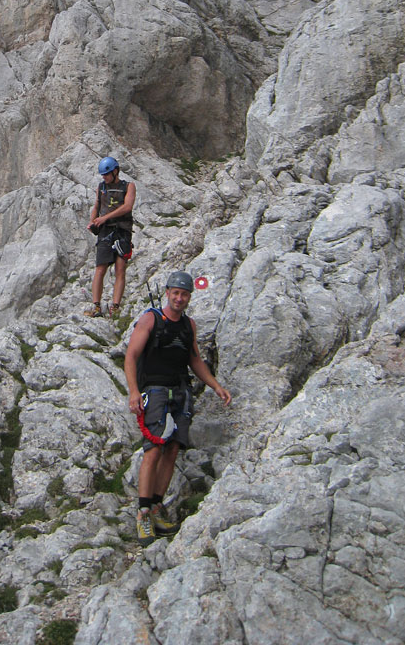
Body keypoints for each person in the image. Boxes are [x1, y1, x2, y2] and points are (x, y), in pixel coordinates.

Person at [124, 271, 232, 544]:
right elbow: (131, 355)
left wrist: (215, 385)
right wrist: (135, 391)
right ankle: (144, 513)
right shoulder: (151, 319)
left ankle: (157, 506)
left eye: (184, 294)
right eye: (175, 293)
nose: (179, 298)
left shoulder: (189, 326)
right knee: (154, 449)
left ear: (188, 297)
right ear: (168, 292)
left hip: (180, 391)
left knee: (172, 449)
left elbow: (194, 360)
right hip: (155, 391)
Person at [84, 156, 135, 318]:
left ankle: (115, 307)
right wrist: (92, 222)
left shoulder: (128, 186)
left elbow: (127, 207)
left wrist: (105, 218)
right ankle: (96, 306)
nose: (104, 177)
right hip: (105, 231)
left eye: (106, 174)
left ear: (115, 171)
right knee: (100, 268)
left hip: (122, 230)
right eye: (102, 175)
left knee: (120, 268)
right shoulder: (101, 187)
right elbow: (97, 206)